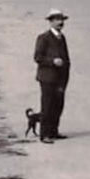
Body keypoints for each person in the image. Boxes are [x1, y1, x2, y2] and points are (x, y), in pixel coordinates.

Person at [32, 10, 71, 142]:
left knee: (58, 105)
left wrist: (66, 75)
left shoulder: (62, 37)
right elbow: (38, 57)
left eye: (62, 20)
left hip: (60, 77)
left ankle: (54, 131)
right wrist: (52, 61)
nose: (60, 22)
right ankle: (45, 134)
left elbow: (66, 58)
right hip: (47, 77)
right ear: (51, 22)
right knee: (47, 105)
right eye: (57, 20)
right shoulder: (44, 38)